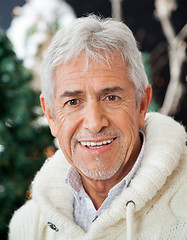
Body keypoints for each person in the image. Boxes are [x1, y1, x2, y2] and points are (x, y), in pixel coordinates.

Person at [9, 15, 187, 240]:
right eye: (73, 102)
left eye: (111, 97)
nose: (94, 124)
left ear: (142, 104)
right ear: (50, 116)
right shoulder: (28, 226)